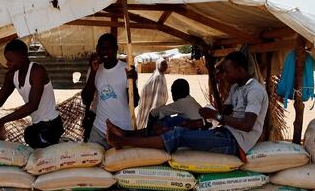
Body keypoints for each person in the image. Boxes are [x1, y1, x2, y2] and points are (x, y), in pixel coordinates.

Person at [107, 51, 268, 159]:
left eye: (227, 71)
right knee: (180, 129)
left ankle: (123, 142)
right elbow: (223, 114)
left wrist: (215, 115)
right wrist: (201, 122)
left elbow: (247, 125)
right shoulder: (236, 88)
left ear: (239, 69)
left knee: (178, 136)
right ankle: (127, 136)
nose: (224, 75)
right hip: (225, 133)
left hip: (236, 143)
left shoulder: (255, 91)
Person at [0, 39, 63, 148]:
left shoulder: (37, 71)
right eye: (7, 60)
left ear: (23, 56)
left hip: (52, 125)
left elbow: (33, 105)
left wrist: (1, 121)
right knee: (30, 136)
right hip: (37, 126)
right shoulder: (11, 75)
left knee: (38, 145)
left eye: (11, 60)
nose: (7, 63)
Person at [81, 33, 139, 150]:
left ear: (116, 49)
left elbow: (134, 103)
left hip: (123, 129)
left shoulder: (126, 70)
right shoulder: (95, 69)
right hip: (100, 128)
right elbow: (86, 99)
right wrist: (93, 72)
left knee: (121, 165)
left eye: (109, 48)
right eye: (102, 48)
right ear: (97, 49)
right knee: (91, 160)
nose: (105, 52)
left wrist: (133, 82)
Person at [136, 58, 169, 129]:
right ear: (158, 65)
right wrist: (156, 108)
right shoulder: (158, 76)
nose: (165, 66)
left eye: (166, 65)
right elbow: (158, 96)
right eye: (163, 64)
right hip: (155, 106)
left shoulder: (160, 75)